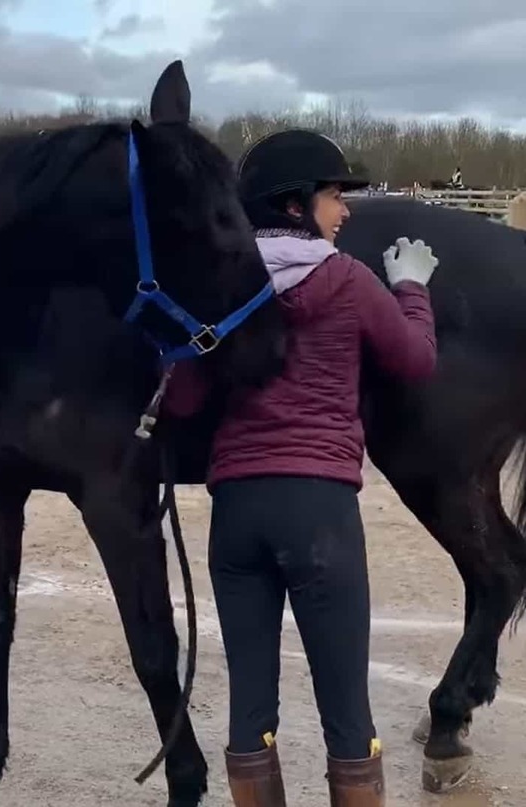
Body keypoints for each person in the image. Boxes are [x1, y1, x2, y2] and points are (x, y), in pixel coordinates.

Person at [163, 129, 439, 807]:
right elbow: (415, 361)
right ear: (294, 205)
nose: (342, 210)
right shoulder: (344, 278)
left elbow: (186, 398)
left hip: (237, 517)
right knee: (346, 711)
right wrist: (410, 288)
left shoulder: (224, 289)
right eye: (332, 195)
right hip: (318, 513)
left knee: (249, 710)